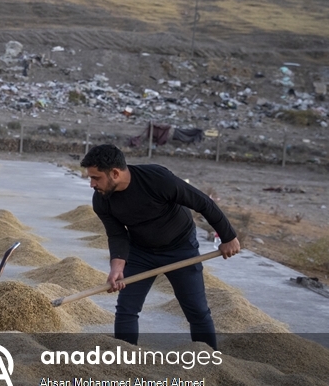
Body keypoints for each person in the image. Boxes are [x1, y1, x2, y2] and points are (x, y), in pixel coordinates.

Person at [79, 144, 240, 349]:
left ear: (115, 173)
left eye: (96, 178)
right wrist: (117, 267)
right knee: (126, 309)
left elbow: (202, 203)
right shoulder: (102, 200)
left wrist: (228, 236)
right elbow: (117, 235)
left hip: (181, 249)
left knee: (197, 311)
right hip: (141, 252)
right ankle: (122, 362)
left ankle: (210, 361)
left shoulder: (156, 179)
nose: (92, 184)